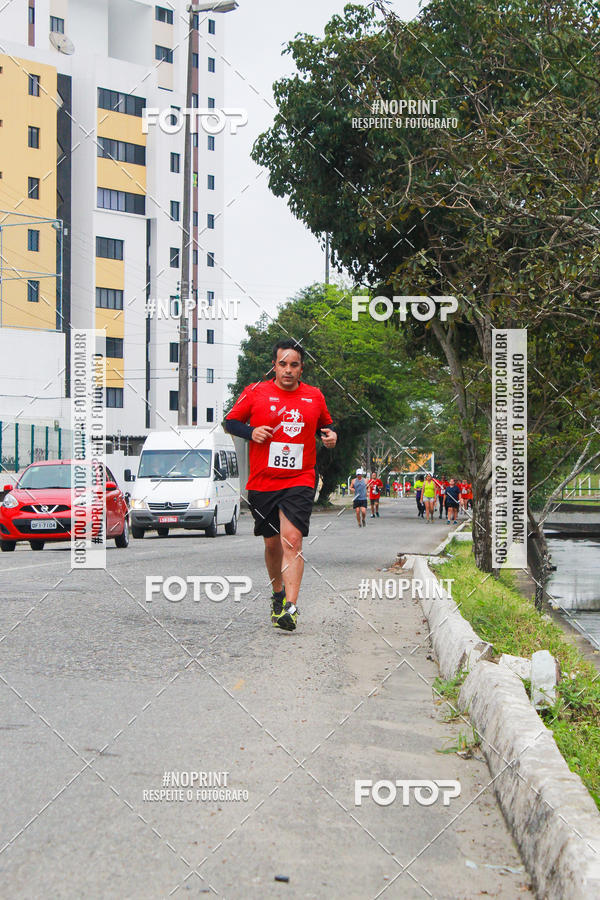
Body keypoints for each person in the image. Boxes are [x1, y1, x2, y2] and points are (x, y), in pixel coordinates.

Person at [225, 339, 337, 632]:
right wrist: (251, 431)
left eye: (294, 365)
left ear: (302, 369)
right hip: (263, 480)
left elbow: (326, 425)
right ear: (274, 366)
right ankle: (277, 593)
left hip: (300, 478)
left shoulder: (314, 396)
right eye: (282, 364)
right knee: (272, 543)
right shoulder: (255, 392)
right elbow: (231, 422)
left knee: (293, 541)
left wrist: (330, 436)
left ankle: (291, 606)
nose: (288, 370)